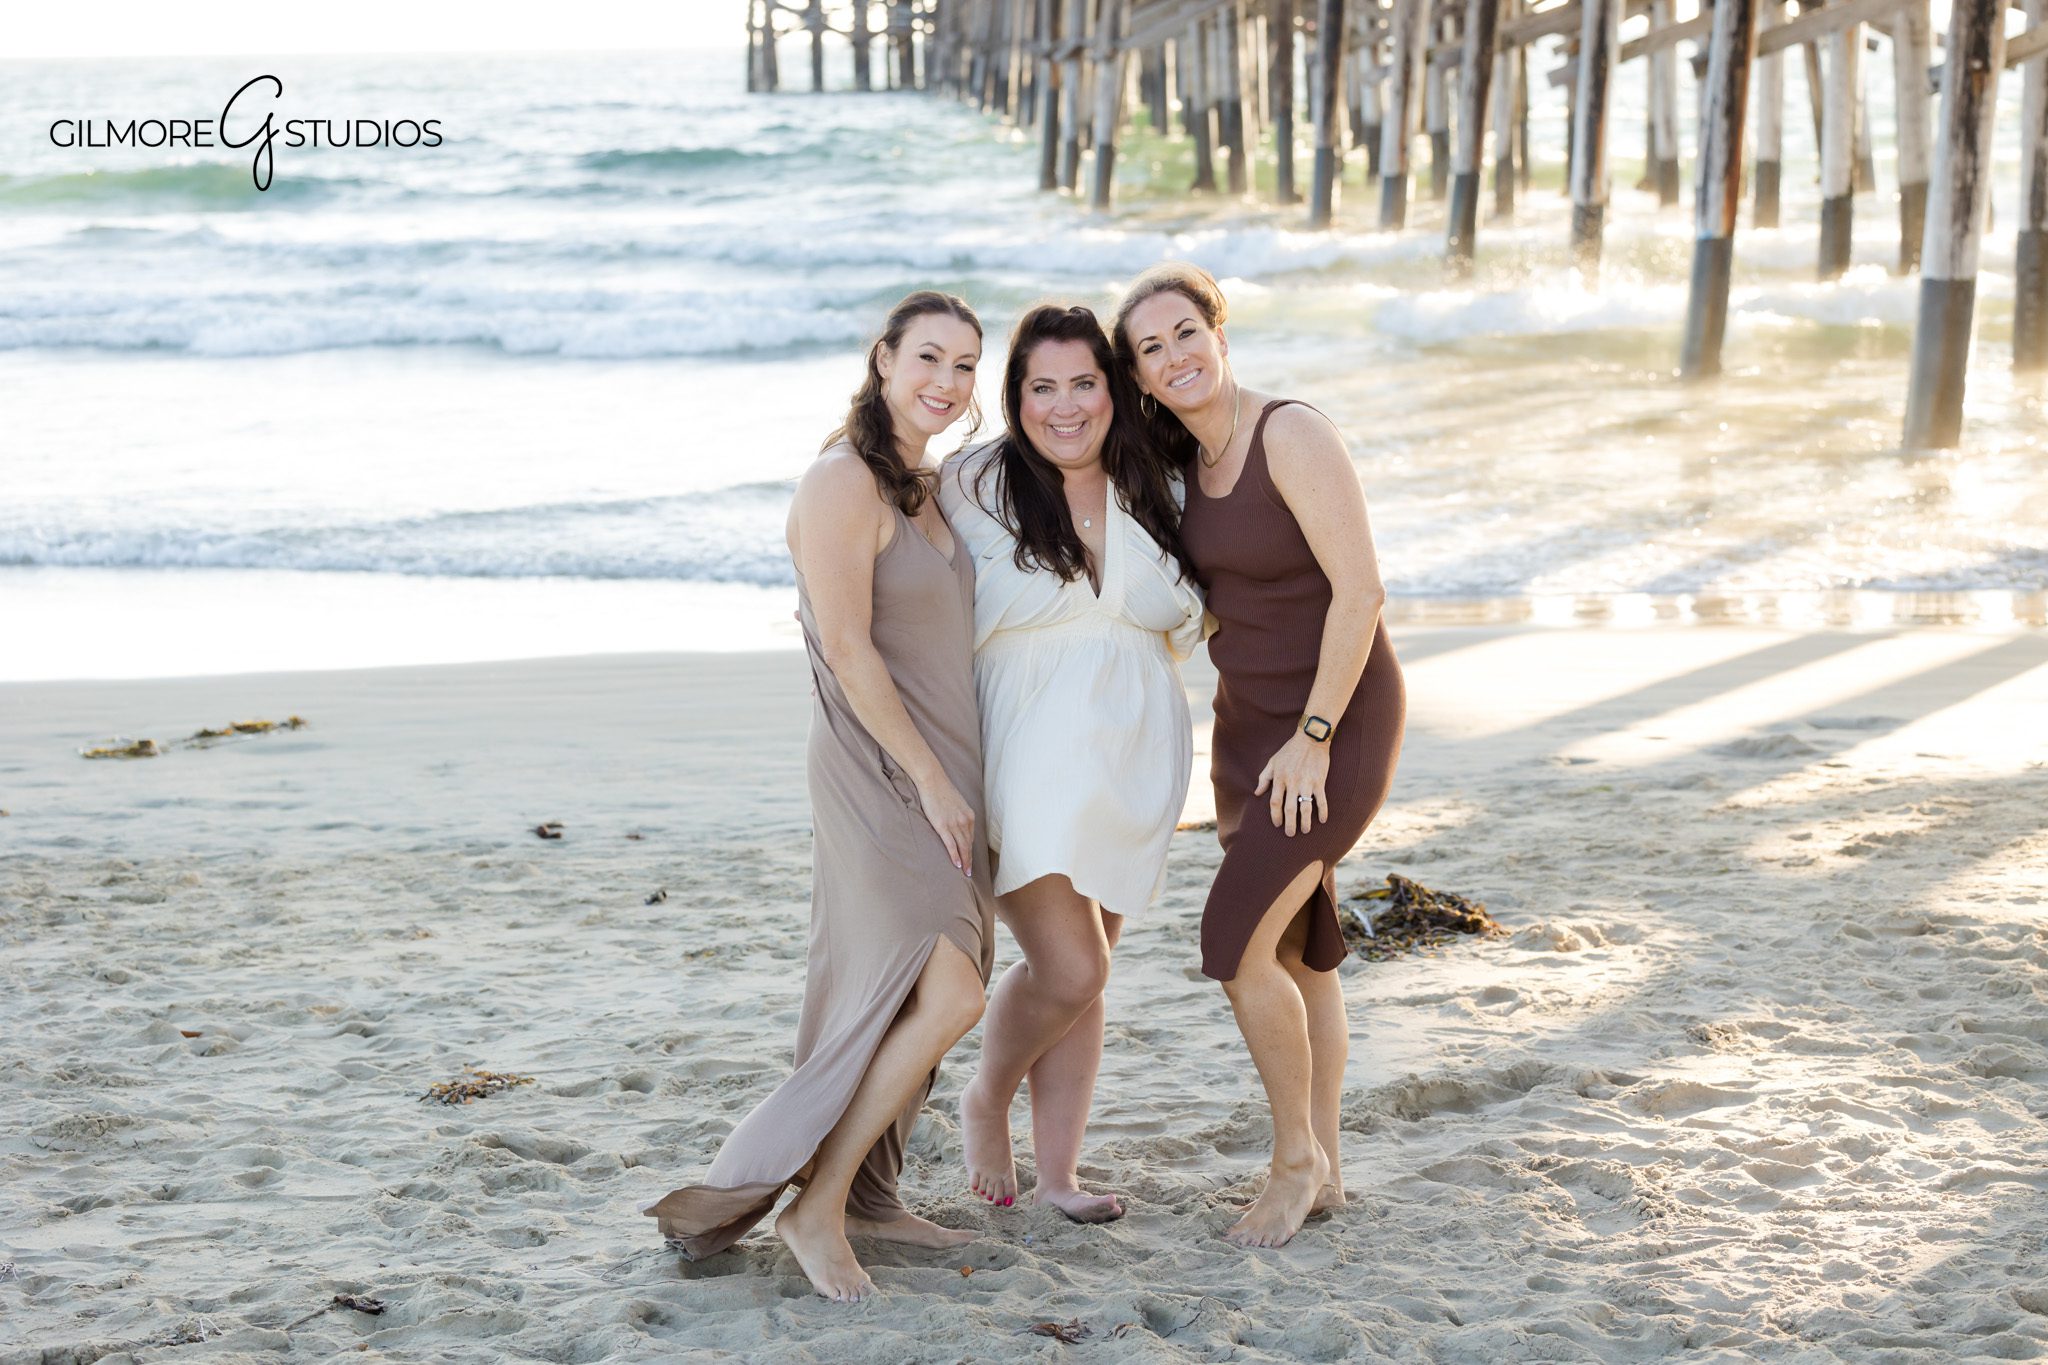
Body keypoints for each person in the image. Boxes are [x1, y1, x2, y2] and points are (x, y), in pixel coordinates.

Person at [641, 291, 996, 1302]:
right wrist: (928, 779)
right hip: (881, 772)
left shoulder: (927, 483)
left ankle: (874, 1196)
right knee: (950, 993)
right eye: (929, 357)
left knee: (902, 993)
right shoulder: (840, 481)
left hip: (948, 773)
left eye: (967, 366)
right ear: (882, 359)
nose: (947, 381)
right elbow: (844, 647)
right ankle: (815, 1198)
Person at [1111, 263, 1405, 1250]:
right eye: (1150, 349)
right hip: (1245, 735)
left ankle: (1292, 1165)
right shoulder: (1175, 466)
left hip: (1332, 725)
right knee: (1295, 948)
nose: (1173, 356)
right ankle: (1322, 1162)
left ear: (1218, 331)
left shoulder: (1291, 432)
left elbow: (1359, 595)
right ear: (1139, 379)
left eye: (1184, 332)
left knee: (1235, 946)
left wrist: (1315, 740)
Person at [937, 303, 1205, 1224]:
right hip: (1022, 748)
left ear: (1113, 387)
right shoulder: (971, 482)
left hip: (1135, 754)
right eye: (1040, 386)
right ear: (1015, 396)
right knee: (1071, 968)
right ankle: (984, 1095)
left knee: (1088, 974)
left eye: (1082, 382)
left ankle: (1059, 1176)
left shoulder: (1154, 480)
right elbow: (888, 572)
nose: (1063, 406)